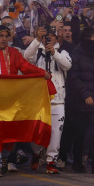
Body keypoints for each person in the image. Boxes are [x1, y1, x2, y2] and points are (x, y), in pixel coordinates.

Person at [0, 24, 47, 176]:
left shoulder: (14, 53)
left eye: (6, 36)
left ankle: (4, 159)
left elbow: (26, 68)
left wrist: (43, 73)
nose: (4, 39)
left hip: (11, 101)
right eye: (0, 36)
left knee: (10, 132)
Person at [24, 23, 72, 173]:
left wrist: (54, 54)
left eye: (51, 38)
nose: (48, 41)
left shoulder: (62, 52)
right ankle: (37, 152)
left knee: (56, 132)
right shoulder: (37, 52)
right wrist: (37, 40)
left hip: (58, 100)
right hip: (39, 99)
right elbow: (26, 57)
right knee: (38, 131)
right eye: (46, 38)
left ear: (57, 39)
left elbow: (67, 65)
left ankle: (52, 161)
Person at [65, 26, 94, 173]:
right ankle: (78, 162)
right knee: (80, 133)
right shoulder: (76, 55)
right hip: (80, 102)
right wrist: (85, 94)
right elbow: (74, 78)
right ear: (86, 39)